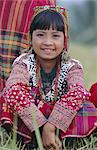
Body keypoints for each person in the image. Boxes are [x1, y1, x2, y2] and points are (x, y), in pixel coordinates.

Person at [1, 5, 97, 150]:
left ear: (64, 39)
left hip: (61, 120)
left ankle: (64, 139)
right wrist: (41, 125)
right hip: (31, 118)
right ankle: (32, 139)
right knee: (7, 97)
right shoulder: (23, 63)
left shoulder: (72, 66)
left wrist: (51, 126)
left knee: (87, 107)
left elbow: (77, 92)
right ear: (30, 37)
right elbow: (15, 90)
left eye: (55, 36)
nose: (47, 42)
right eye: (40, 35)